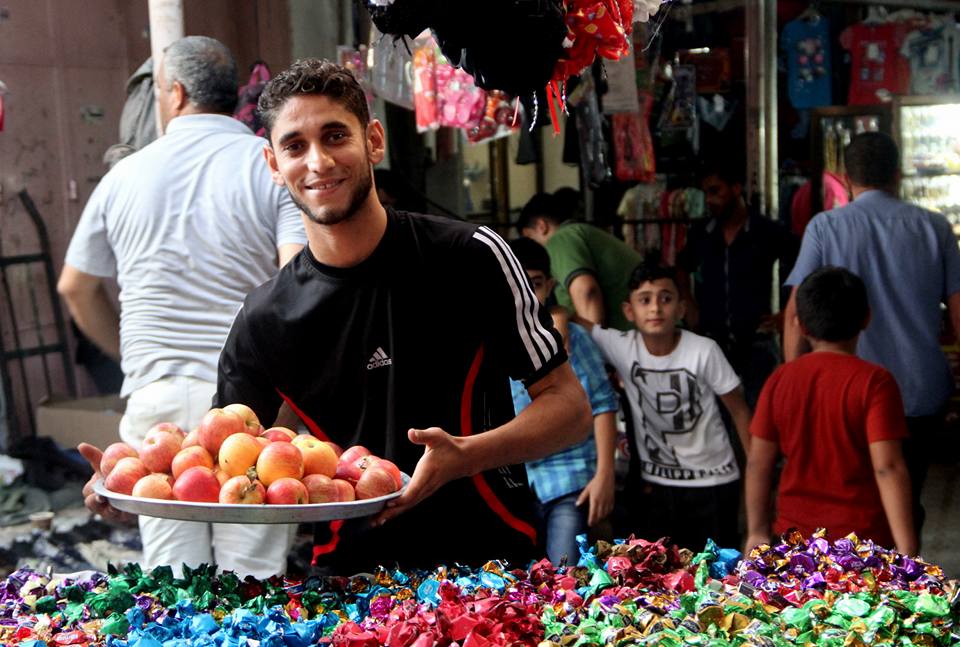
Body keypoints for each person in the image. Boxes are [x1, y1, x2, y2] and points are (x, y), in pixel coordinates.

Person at [212, 58, 591, 572]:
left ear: (373, 140)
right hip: (347, 584)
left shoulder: (471, 255)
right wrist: (132, 487)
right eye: (295, 146)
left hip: (489, 569)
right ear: (274, 164)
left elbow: (569, 410)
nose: (319, 162)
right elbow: (222, 460)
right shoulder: (263, 318)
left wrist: (468, 454)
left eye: (334, 136)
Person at [60, 36, 306, 578]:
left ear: (173, 93)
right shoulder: (266, 165)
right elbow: (297, 285)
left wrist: (133, 356)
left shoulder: (122, 177)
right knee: (254, 585)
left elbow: (76, 287)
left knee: (176, 583)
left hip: (157, 404)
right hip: (247, 406)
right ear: (234, 93)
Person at [783, 132, 960, 538]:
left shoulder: (824, 227)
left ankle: (859, 586)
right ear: (898, 175)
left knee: (847, 501)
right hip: (918, 391)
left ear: (846, 178)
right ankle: (904, 576)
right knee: (905, 494)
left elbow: (795, 311)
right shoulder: (935, 227)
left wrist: (794, 379)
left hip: (841, 393)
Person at [575, 264, 752, 550]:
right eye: (645, 300)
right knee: (659, 577)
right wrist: (558, 318)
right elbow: (569, 318)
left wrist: (754, 489)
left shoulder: (704, 351)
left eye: (665, 298)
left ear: (681, 308)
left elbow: (741, 414)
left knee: (718, 577)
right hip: (656, 489)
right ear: (629, 311)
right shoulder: (622, 345)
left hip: (714, 486)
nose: (655, 308)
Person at [746, 267, 916, 555]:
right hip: (862, 542)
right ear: (867, 318)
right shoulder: (875, 382)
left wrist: (756, 532)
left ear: (800, 325)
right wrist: (907, 548)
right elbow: (887, 467)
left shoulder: (780, 378)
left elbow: (757, 463)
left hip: (795, 543)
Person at [508, 237, 619, 566]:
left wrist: (604, 476)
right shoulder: (495, 340)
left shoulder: (572, 338)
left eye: (537, 284)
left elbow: (602, 404)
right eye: (520, 283)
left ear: (550, 285)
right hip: (518, 481)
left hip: (571, 479)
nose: (528, 293)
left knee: (565, 575)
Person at [677, 163, 799, 406]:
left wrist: (787, 313)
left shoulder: (766, 230)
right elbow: (681, 267)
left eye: (715, 191)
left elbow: (805, 266)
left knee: (760, 418)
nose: (709, 200)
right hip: (713, 342)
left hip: (757, 341)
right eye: (706, 194)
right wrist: (689, 305)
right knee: (717, 420)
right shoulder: (702, 232)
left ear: (735, 188)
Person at [518, 192, 642, 331]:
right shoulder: (580, 232)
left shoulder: (561, 240)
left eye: (529, 237)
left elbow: (586, 291)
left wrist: (589, 347)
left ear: (542, 226)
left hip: (624, 338)